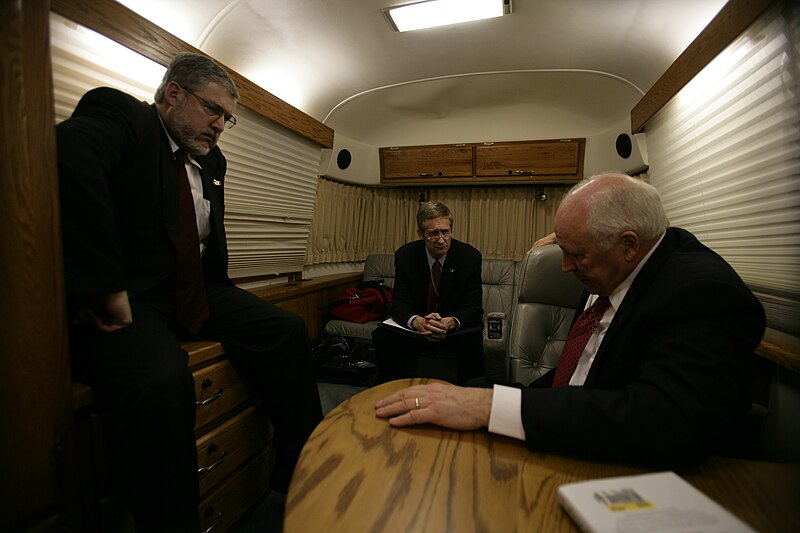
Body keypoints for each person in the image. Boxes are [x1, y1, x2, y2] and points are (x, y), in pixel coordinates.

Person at [57, 52, 323, 531]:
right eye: (212, 110)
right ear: (174, 93)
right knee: (161, 379)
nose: (220, 125)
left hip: (197, 288)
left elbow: (200, 237)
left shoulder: (212, 159)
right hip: (135, 296)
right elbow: (69, 157)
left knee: (286, 330)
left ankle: (300, 466)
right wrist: (103, 286)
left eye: (227, 118)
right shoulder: (125, 118)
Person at [375, 173, 766, 467]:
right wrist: (494, 396)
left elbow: (665, 424)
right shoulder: (610, 266)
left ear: (628, 244)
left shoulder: (701, 293)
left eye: (575, 254)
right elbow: (575, 372)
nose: (565, 267)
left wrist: (490, 407)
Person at [372, 202, 484, 385]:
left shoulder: (470, 257)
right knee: (382, 336)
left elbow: (473, 308)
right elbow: (399, 304)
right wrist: (418, 322)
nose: (441, 240)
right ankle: (391, 391)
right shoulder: (405, 256)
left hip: (452, 328)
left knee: (473, 341)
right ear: (420, 234)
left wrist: (448, 323)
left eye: (445, 232)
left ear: (451, 230)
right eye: (433, 234)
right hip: (418, 328)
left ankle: (469, 397)